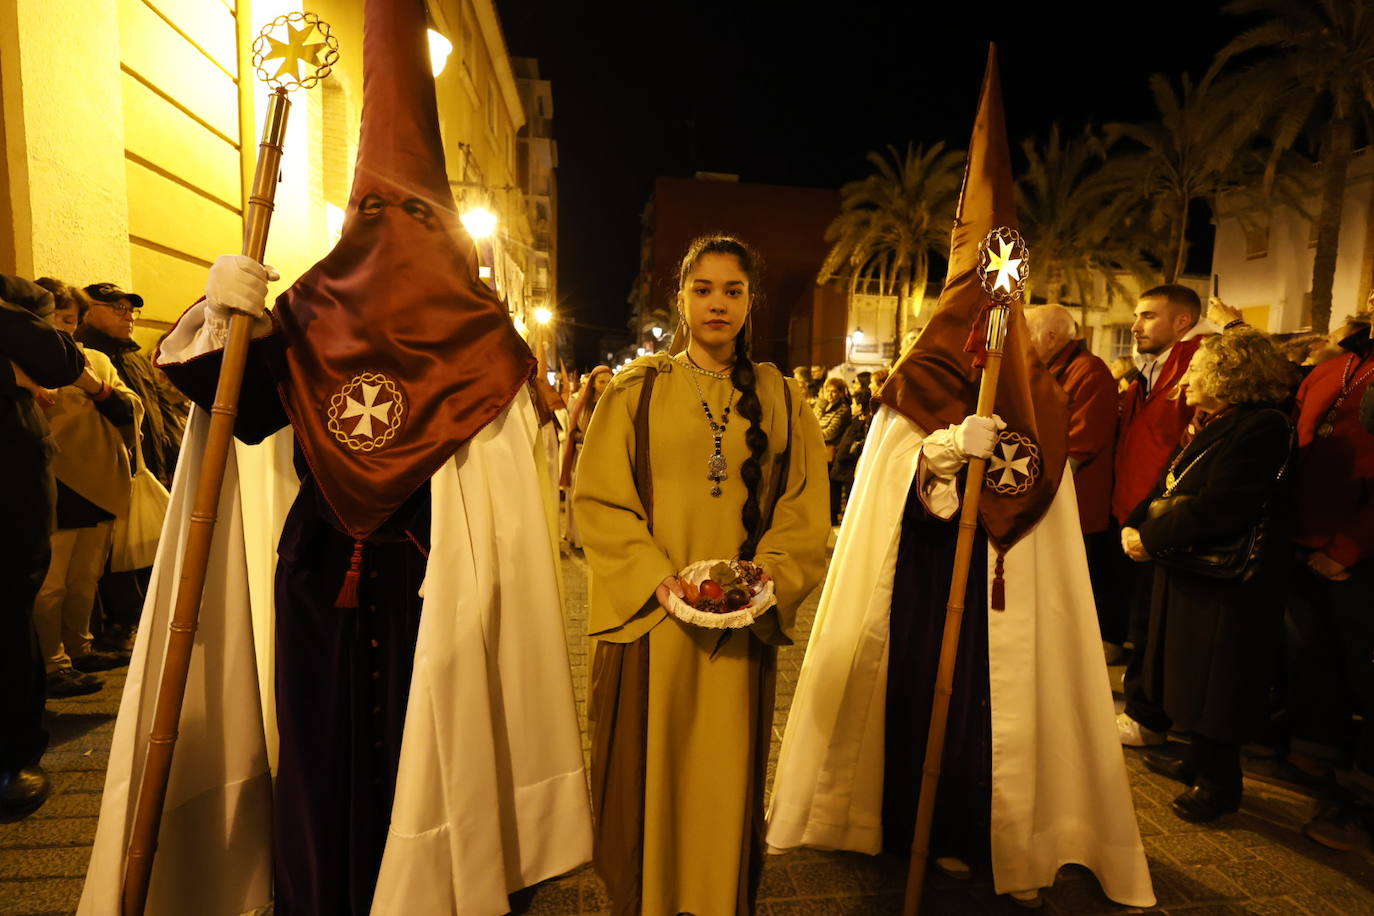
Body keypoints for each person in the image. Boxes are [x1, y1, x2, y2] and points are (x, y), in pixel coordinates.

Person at [78, 1, 589, 912]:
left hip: (439, 586)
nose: (389, 228)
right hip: (318, 580)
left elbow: (512, 499)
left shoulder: (484, 342)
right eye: (373, 208)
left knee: (429, 759)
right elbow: (230, 410)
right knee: (313, 757)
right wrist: (217, 318)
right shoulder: (310, 317)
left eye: (409, 210)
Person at [767, 53, 1153, 910]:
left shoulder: (1033, 387)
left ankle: (996, 833)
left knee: (996, 712)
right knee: (916, 704)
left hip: (1001, 591)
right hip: (925, 580)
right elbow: (881, 486)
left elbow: (1047, 477)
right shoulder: (912, 380)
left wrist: (1008, 453)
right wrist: (933, 458)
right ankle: (917, 830)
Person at [574, 235, 829, 916]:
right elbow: (597, 499)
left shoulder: (779, 395)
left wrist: (765, 579)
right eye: (703, 289)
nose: (718, 303)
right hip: (654, 622)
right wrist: (660, 581)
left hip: (737, 627)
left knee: (721, 777)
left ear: (751, 301)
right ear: (680, 297)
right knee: (651, 774)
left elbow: (806, 507)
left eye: (733, 290)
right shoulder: (636, 390)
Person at [1120, 329, 1296, 822]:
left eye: (1197, 369)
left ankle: (1220, 784)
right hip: (1192, 566)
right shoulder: (1221, 421)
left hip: (1231, 581)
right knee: (1189, 673)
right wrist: (1136, 522)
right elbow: (1169, 481)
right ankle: (1198, 760)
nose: (1187, 379)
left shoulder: (1263, 427)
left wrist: (1149, 538)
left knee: (1217, 682)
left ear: (1229, 374)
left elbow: (1222, 506)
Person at [1274, 308, 1374, 849]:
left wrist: (1350, 547)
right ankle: (1316, 754)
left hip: (1357, 549)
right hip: (1306, 537)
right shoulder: (1336, 365)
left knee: (1366, 675)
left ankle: (1363, 803)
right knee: (1313, 658)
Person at [0, 274, 96, 821]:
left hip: (7, 477)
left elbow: (59, 363)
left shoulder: (19, 299)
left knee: (9, 613)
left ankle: (14, 753)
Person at [1112, 284, 1210, 748]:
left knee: (1155, 625)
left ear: (1182, 322)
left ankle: (1148, 716)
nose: (1135, 326)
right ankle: (1144, 710)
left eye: (1148, 316)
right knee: (1142, 620)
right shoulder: (1149, 371)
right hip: (1137, 512)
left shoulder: (1196, 364)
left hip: (1166, 517)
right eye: (1137, 315)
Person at [31, 279, 138, 699]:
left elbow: (128, 407)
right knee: (51, 582)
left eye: (69, 320)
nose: (62, 328)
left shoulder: (94, 360)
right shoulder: (24, 362)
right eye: (54, 318)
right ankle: (52, 662)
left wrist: (95, 387)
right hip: (50, 481)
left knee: (85, 578)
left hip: (96, 481)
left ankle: (80, 648)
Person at [1025, 304, 1119, 656]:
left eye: (1027, 332)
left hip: (1072, 502)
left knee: (1071, 586)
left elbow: (1080, 446)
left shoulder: (1089, 372)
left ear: (1050, 337)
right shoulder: (1045, 368)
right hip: (1044, 497)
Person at [560, 364, 612, 548]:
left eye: (608, 381)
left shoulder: (614, 402)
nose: (606, 385)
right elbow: (574, 431)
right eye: (602, 381)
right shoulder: (581, 404)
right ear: (593, 383)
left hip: (606, 458)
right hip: (583, 456)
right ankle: (579, 537)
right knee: (581, 497)